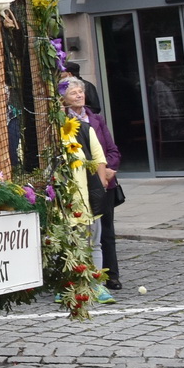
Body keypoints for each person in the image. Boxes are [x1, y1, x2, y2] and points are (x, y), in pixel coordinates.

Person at [63, 78, 121, 297]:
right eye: (73, 93)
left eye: (81, 92)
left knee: (99, 235)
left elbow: (105, 153)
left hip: (97, 187)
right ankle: (73, 282)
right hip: (73, 191)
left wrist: (105, 177)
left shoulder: (92, 123)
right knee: (73, 239)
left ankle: (102, 279)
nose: (79, 95)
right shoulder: (61, 125)